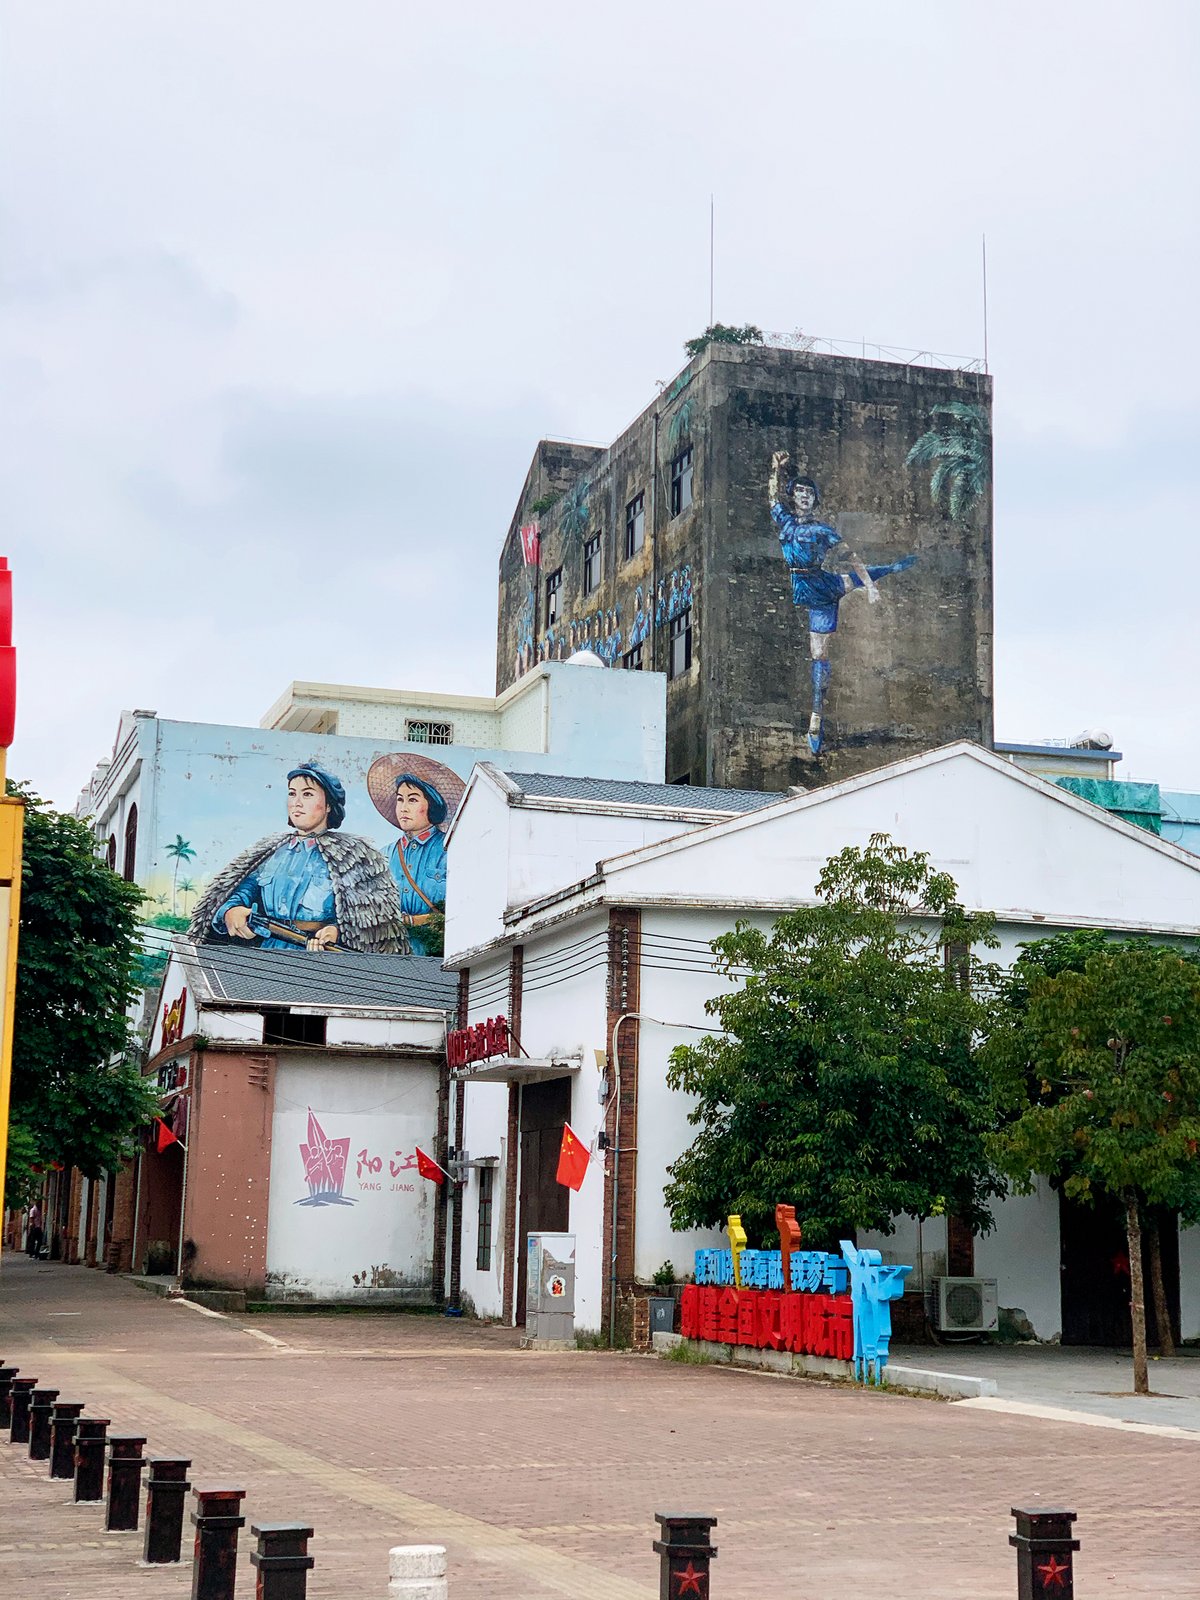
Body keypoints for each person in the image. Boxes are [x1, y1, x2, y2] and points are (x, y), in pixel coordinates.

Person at [769, 450, 916, 757]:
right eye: (800, 492)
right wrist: (775, 471)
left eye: (810, 493)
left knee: (819, 653)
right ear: (793, 496)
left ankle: (817, 715)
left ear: (815, 499)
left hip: (820, 589)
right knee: (849, 582)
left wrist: (872, 588)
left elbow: (852, 557)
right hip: (807, 584)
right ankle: (890, 569)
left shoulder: (822, 531)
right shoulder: (785, 521)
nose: (804, 496)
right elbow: (771, 498)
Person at [188, 763, 405, 954]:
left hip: (322, 959)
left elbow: (373, 923)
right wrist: (231, 911)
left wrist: (336, 931)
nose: (296, 803)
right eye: (292, 794)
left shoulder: (357, 857)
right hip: (267, 953)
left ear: (329, 805)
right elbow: (241, 891)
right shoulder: (269, 852)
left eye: (308, 794)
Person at [383, 774, 449, 957]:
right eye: (399, 800)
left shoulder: (450, 849)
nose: (403, 808)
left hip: (437, 954)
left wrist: (414, 921)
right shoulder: (384, 855)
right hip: (388, 953)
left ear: (431, 805)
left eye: (412, 800)